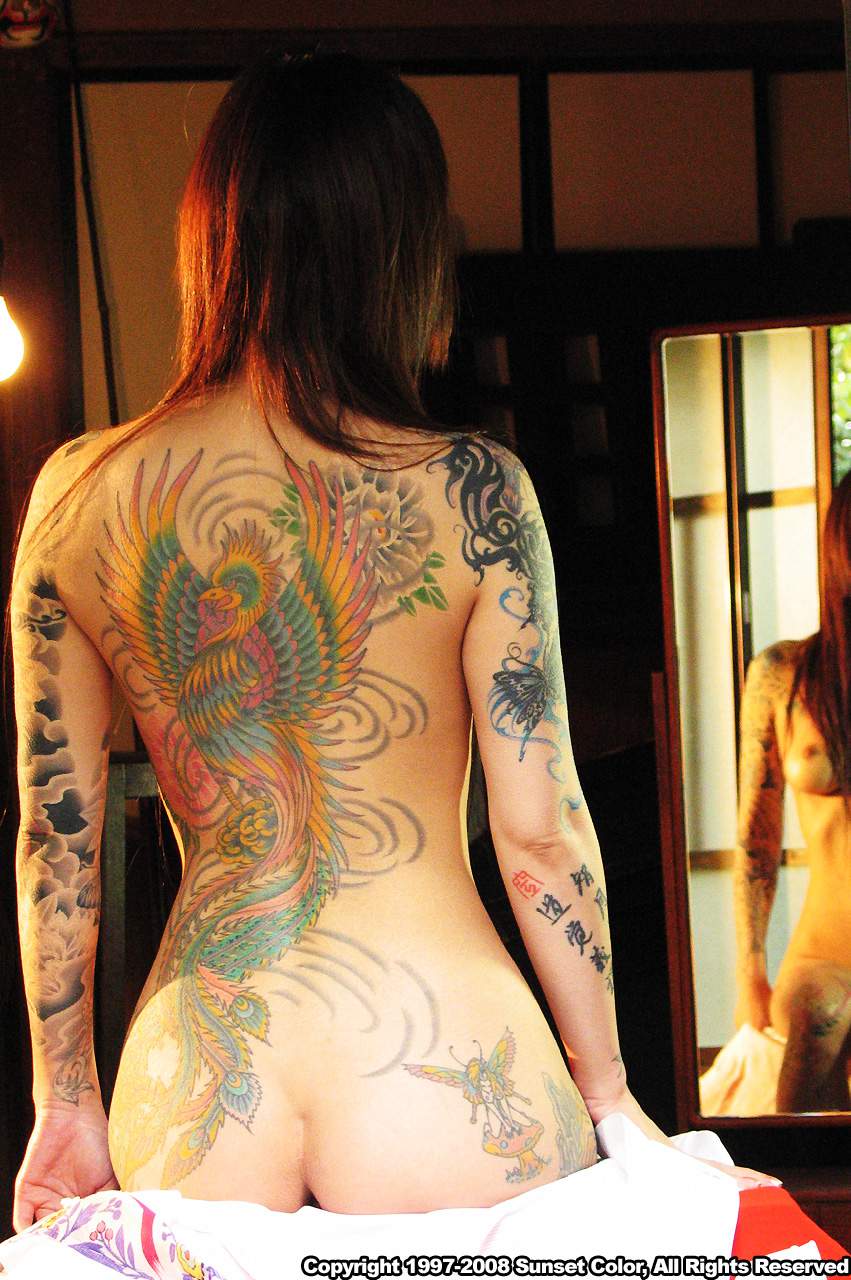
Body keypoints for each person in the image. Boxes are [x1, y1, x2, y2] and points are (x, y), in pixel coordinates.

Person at [10, 52, 776, 1240]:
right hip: (442, 1069)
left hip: (204, 1077)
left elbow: (55, 839)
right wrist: (612, 1096)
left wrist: (64, 1099)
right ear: (402, 251)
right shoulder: (475, 490)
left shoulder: (77, 494)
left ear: (214, 241)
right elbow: (539, 832)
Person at [734, 470, 851, 1112]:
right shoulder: (785, 674)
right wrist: (750, 965)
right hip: (827, 958)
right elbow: (757, 838)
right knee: (818, 1012)